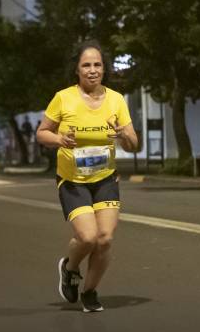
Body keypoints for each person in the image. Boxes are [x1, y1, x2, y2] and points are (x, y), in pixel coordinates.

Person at [36, 40, 138, 313]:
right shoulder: (63, 98)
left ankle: (90, 291)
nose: (92, 70)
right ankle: (70, 268)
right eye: (86, 65)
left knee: (104, 239)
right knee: (88, 238)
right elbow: (42, 133)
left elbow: (133, 144)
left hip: (105, 179)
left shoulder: (116, 100)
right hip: (73, 181)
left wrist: (124, 135)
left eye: (97, 65)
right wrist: (60, 139)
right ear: (77, 70)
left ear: (104, 68)